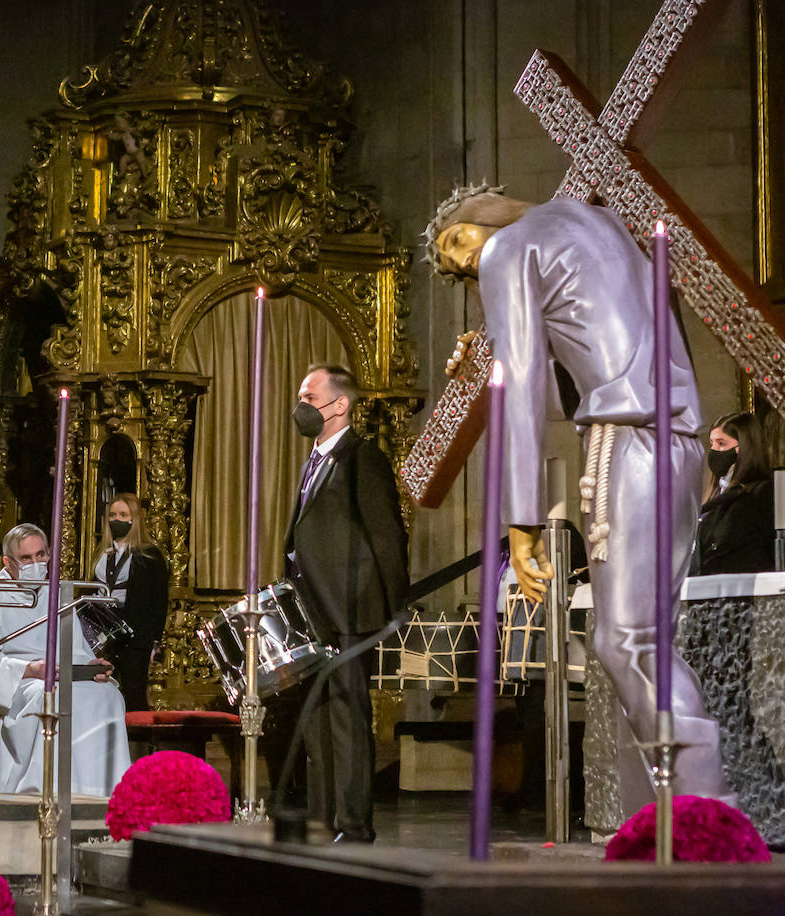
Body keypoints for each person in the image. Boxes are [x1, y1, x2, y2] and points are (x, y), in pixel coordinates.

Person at [426, 184, 732, 816]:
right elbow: (632, 322)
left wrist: (520, 522)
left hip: (626, 442)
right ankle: (656, 826)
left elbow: (520, 384)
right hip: (678, 440)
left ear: (467, 230)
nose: (465, 270)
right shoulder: (603, 226)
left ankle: (706, 819)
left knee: (625, 645)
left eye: (457, 255)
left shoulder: (508, 249)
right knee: (649, 643)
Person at [282, 364, 408, 843]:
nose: (302, 407)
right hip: (310, 615)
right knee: (317, 723)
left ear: (340, 405)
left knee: (348, 721)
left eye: (310, 398)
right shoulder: (312, 462)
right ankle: (322, 818)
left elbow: (387, 537)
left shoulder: (363, 459)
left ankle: (353, 825)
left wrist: (393, 609)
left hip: (351, 613)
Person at [0, 523, 131, 796]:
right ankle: (47, 788)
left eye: (41, 555)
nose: (36, 563)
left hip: (60, 675)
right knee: (53, 698)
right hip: (20, 683)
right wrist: (29, 670)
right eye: (26, 558)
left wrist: (90, 667)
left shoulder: (57, 597)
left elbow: (76, 649)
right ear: (8, 562)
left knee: (108, 696)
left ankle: (102, 790)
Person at [93, 492, 169, 711]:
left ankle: (135, 742)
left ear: (134, 519)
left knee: (133, 694)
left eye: (123, 515)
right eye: (113, 515)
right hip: (103, 632)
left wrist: (156, 641)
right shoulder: (102, 552)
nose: (116, 520)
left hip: (134, 635)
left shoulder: (149, 555)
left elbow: (158, 601)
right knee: (103, 693)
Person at [693, 411, 775, 575]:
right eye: (712, 443)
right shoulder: (716, 496)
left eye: (721, 443)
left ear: (743, 448)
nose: (714, 450)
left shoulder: (760, 495)